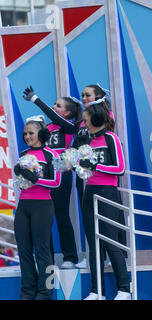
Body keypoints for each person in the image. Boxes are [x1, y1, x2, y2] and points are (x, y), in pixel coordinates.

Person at [23, 87, 82, 269]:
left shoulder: (69, 126)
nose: (54, 107)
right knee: (43, 217)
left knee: (61, 215)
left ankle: (70, 257)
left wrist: (36, 100)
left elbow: (54, 116)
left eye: (58, 105)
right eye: (54, 104)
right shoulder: (46, 128)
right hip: (44, 174)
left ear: (68, 112)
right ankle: (45, 258)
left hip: (61, 174)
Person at [78, 101, 130, 300]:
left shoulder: (111, 138)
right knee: (93, 243)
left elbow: (120, 169)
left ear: (96, 119)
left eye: (85, 120)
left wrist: (96, 166)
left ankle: (124, 288)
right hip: (88, 192)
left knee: (110, 241)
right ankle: (96, 291)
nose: (83, 124)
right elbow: (81, 169)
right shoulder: (86, 141)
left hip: (107, 193)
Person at [13, 116, 61, 300]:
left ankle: (45, 292)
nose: (27, 136)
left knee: (42, 252)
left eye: (30, 133)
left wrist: (35, 179)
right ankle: (27, 292)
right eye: (25, 133)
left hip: (43, 205)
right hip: (24, 205)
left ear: (41, 134)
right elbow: (21, 184)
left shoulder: (52, 155)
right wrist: (21, 176)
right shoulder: (24, 154)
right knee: (24, 251)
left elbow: (56, 182)